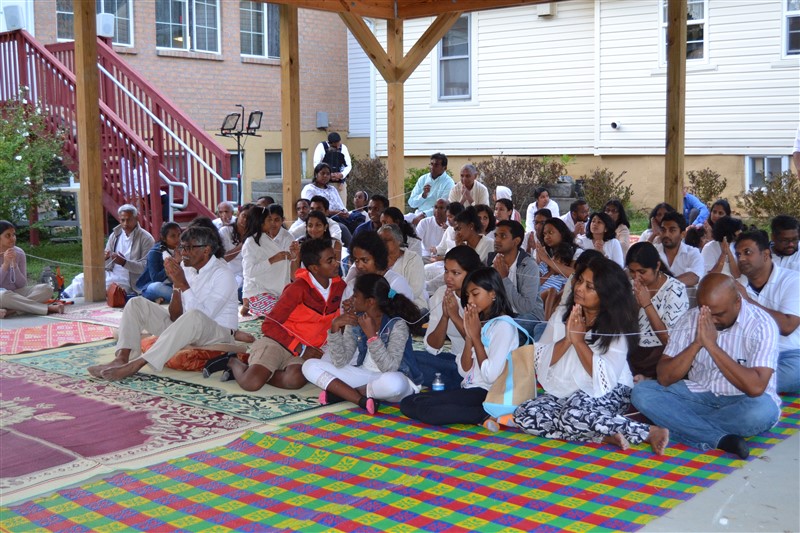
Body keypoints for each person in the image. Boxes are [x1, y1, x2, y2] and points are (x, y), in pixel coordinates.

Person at [511, 257, 669, 454]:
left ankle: (647, 432)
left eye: (589, 287)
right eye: (579, 281)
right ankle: (599, 434)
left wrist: (579, 342)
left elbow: (604, 378)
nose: (579, 288)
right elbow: (541, 359)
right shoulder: (562, 314)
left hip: (609, 389)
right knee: (526, 414)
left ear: (607, 294)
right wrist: (568, 339)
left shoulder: (616, 325)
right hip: (566, 389)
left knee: (572, 414)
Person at [631, 274, 781, 459]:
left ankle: (680, 425)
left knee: (762, 411)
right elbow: (664, 377)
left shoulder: (762, 324)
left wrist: (711, 345)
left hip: (742, 401)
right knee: (642, 392)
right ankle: (719, 439)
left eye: (718, 314)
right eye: (706, 311)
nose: (712, 320)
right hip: (698, 395)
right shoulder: (690, 319)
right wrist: (697, 343)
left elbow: (755, 387)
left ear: (737, 302)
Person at [87, 226, 255, 380]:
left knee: (194, 316)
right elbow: (175, 316)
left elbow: (203, 317)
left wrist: (183, 284)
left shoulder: (223, 274)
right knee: (136, 303)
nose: (183, 253)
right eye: (181, 247)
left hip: (218, 333)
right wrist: (176, 285)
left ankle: (137, 364)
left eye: (188, 248)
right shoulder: (186, 267)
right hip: (186, 327)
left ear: (206, 250)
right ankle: (122, 358)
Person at [214, 239, 345, 390]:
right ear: (314, 268)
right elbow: (269, 325)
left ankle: (259, 369)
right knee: (251, 384)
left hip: (306, 351)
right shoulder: (298, 288)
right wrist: (300, 348)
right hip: (279, 343)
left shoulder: (341, 287)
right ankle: (233, 361)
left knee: (294, 381)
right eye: (330, 261)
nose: (336, 263)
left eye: (335, 258)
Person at [400, 267, 520, 426]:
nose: (470, 301)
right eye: (468, 295)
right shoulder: (482, 323)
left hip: (488, 392)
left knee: (428, 410)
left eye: (475, 294)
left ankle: (485, 416)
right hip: (469, 387)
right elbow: (464, 370)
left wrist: (476, 337)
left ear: (493, 294)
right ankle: (483, 415)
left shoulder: (504, 326)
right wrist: (469, 336)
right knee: (408, 403)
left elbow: (490, 376)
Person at [303, 274, 423, 413]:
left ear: (370, 301)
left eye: (355, 296)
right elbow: (340, 362)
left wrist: (372, 336)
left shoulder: (397, 325)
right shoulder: (356, 321)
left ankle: (343, 394)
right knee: (309, 366)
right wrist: (335, 328)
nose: (351, 299)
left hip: (394, 378)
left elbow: (390, 368)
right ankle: (361, 400)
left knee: (394, 384)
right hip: (365, 375)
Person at [735, 230, 800, 393]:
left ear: (765, 255)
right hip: (748, 355)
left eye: (747, 252)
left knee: (793, 373)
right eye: (738, 254)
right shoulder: (736, 285)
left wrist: (747, 301)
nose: (741, 259)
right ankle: (743, 383)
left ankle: (737, 384)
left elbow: (787, 326)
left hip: (788, 355)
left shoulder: (793, 280)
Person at [417, 246, 484, 390]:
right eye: (446, 271)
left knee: (418, 369)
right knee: (411, 357)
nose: (448, 277)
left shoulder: (481, 297)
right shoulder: (442, 294)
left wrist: (454, 315)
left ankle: (455, 384)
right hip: (454, 361)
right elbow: (432, 347)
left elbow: (479, 342)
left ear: (471, 273)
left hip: (478, 366)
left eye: (456, 273)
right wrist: (445, 317)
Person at [626, 242, 689, 380]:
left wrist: (647, 304)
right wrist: (636, 306)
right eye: (632, 271)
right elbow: (625, 328)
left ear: (657, 266)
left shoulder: (675, 289)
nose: (636, 277)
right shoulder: (631, 286)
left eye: (642, 272)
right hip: (634, 351)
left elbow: (669, 340)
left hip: (660, 356)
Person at [488, 220, 544, 341]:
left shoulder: (528, 266)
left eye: (503, 236)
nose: (497, 240)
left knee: (509, 331)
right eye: (496, 236)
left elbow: (526, 307)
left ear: (516, 241)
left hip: (528, 316)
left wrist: (504, 278)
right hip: (502, 315)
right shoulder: (491, 261)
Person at [242, 204, 298, 317]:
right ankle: (249, 304)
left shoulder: (266, 238)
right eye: (269, 220)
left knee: (297, 311)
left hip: (277, 291)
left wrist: (293, 255)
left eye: (275, 220)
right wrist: (272, 260)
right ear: (261, 222)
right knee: (281, 314)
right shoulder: (250, 243)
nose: (272, 223)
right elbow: (249, 271)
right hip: (258, 292)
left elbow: (285, 263)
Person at [0, 220, 63, 317]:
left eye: (14, 235)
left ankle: (11, 311)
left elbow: (22, 284)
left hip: (16, 294)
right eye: (8, 236)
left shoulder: (19, 252)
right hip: (3, 296)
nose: (13, 238)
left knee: (46, 289)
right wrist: (5, 265)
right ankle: (48, 309)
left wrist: (14, 265)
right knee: (4, 296)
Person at [344, 231, 414, 301]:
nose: (359, 266)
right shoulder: (352, 286)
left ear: (378, 258)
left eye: (365, 260)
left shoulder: (397, 284)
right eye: (356, 260)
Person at [104, 204, 155, 294]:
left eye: (129, 220)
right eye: (122, 220)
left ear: (136, 219)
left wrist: (124, 262)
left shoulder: (146, 238)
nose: (125, 224)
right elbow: (106, 264)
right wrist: (106, 258)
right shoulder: (115, 235)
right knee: (82, 279)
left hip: (129, 280)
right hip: (111, 273)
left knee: (103, 287)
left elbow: (146, 267)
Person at [378, 224, 428, 311]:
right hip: (382, 307)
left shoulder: (413, 259)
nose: (382, 244)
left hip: (413, 307)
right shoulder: (376, 260)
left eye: (386, 240)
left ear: (399, 241)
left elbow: (415, 291)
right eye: (379, 240)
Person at [136, 221, 182, 304]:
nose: (177, 239)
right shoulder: (155, 252)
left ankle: (164, 298)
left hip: (175, 285)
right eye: (173, 236)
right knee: (157, 287)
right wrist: (174, 262)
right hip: (155, 286)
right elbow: (155, 278)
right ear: (164, 238)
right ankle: (179, 298)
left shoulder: (183, 249)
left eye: (179, 235)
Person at [654, 211, 704, 287]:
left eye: (672, 230)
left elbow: (695, 276)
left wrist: (665, 284)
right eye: (663, 230)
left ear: (683, 234)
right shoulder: (652, 252)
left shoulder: (693, 253)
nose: (666, 234)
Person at [219, 203, 251, 302]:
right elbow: (224, 258)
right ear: (238, 214)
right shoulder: (225, 231)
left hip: (249, 277)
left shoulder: (255, 234)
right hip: (231, 276)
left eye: (250, 218)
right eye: (244, 216)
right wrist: (242, 244)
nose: (246, 220)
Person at [407, 153, 455, 218]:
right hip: (417, 214)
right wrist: (423, 195)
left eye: (436, 165)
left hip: (436, 217)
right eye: (431, 164)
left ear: (444, 168)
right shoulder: (423, 179)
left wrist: (424, 215)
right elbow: (411, 203)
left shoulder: (449, 182)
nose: (432, 167)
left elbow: (443, 207)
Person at [312, 132, 352, 207]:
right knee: (324, 205)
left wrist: (342, 175)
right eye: (335, 146)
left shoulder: (343, 148)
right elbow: (316, 165)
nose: (337, 148)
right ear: (329, 143)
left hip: (339, 184)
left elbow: (348, 165)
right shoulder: (321, 147)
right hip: (324, 183)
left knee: (341, 205)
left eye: (338, 145)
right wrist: (328, 175)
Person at [701, 216, 744, 280]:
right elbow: (711, 277)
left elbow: (737, 275)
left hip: (733, 283)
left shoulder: (735, 246)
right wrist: (723, 254)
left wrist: (729, 253)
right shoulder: (709, 248)